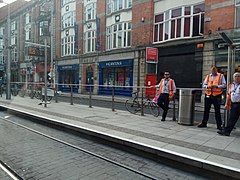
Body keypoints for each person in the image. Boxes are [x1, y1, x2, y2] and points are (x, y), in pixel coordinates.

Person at [217, 72, 240, 136]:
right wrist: (227, 104)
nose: (237, 78)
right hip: (234, 104)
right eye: (235, 76)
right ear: (233, 78)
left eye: (238, 76)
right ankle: (227, 132)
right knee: (232, 119)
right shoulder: (231, 85)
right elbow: (228, 95)